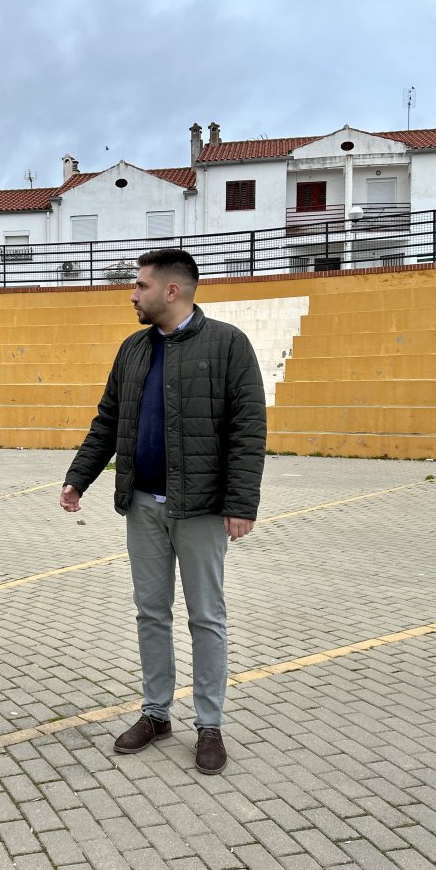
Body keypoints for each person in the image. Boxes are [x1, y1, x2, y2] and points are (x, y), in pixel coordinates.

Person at [61, 247, 266, 775]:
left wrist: (242, 504)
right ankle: (156, 714)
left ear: (171, 291)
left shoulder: (227, 345)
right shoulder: (133, 349)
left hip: (201, 509)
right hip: (142, 506)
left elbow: (248, 432)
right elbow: (108, 420)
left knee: (206, 618)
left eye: (141, 286)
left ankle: (209, 725)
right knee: (151, 613)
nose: (133, 294)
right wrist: (78, 476)